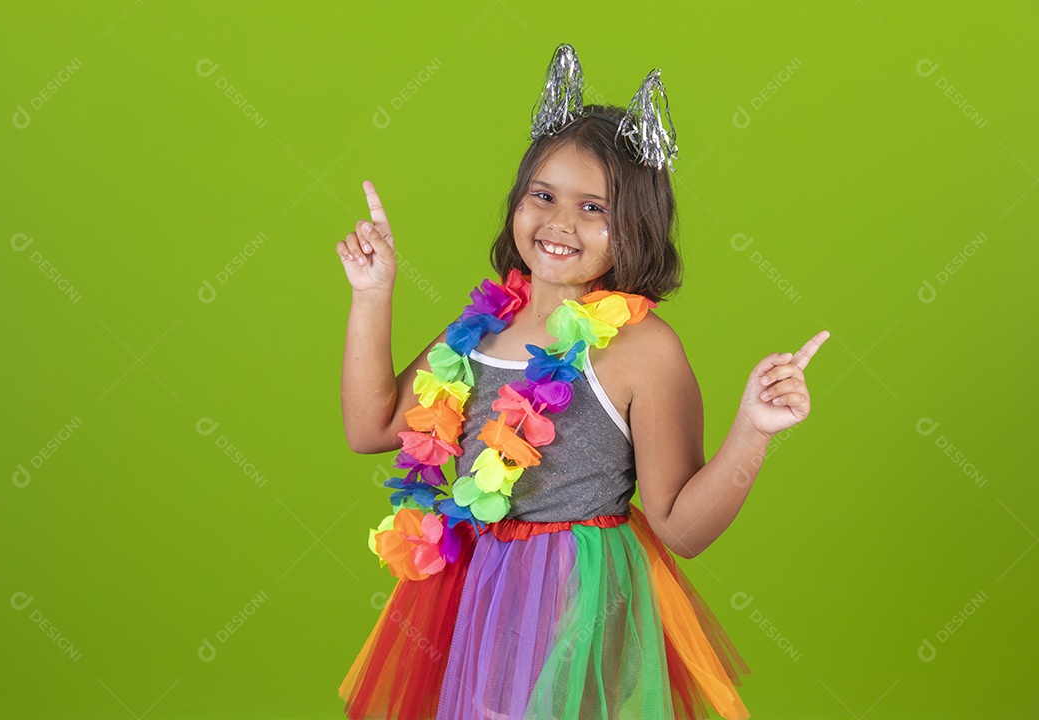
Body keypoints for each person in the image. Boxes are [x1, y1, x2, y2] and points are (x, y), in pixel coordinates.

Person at [336, 44, 829, 720]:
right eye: (543, 196)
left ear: (635, 227)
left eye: (593, 207)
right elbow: (371, 427)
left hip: (578, 599)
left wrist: (753, 431)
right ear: (517, 203)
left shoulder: (642, 349)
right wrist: (373, 294)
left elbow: (681, 528)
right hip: (476, 588)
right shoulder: (480, 329)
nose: (560, 222)